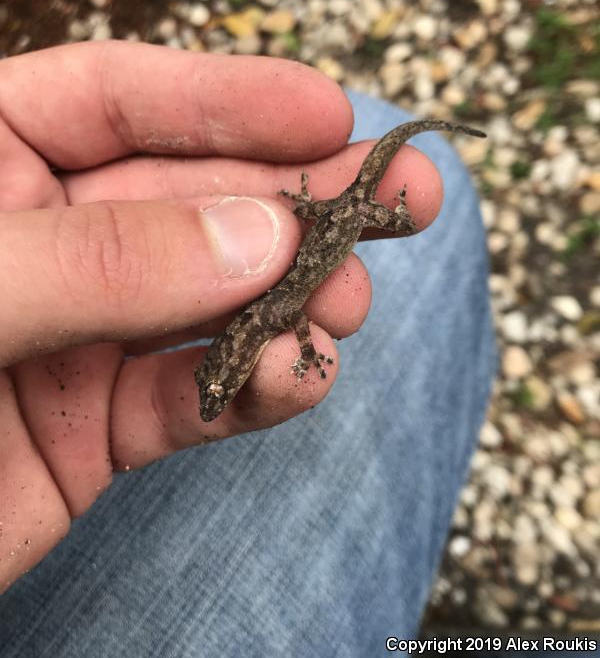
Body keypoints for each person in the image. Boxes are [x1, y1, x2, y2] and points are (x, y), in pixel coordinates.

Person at [0, 41, 497, 656]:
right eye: (219, 385)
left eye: (220, 384)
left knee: (408, 206)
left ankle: (417, 152)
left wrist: (305, 340)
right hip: (328, 217)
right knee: (410, 187)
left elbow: (284, 320)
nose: (218, 392)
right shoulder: (262, 318)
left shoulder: (276, 313)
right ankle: (421, 146)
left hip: (341, 218)